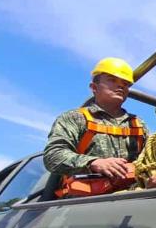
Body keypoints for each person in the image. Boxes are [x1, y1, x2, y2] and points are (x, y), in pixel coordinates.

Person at [44, 57, 147, 196]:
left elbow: (153, 159)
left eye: (125, 83)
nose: (121, 86)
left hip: (131, 202)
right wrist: (94, 163)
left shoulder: (138, 124)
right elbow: (53, 156)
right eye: (112, 80)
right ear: (94, 87)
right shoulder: (75, 118)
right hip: (81, 205)